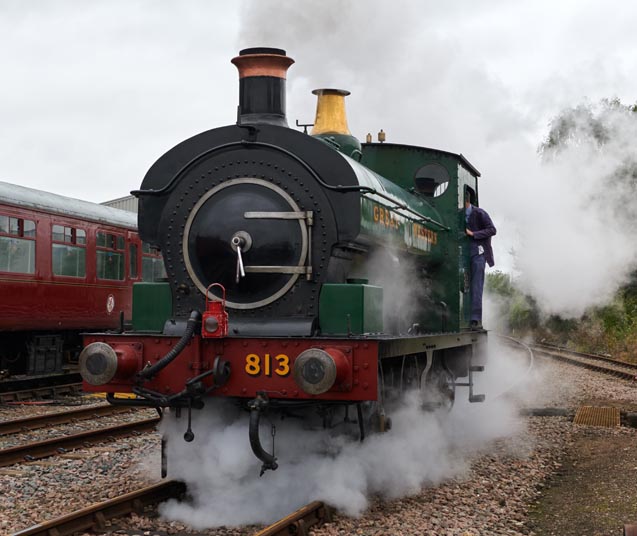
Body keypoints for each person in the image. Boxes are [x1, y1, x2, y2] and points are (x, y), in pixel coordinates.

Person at [465, 193, 496, 329]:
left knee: (476, 285)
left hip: (478, 252)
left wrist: (474, 234)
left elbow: (492, 230)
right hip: (464, 252)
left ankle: (475, 319)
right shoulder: (458, 214)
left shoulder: (479, 213)